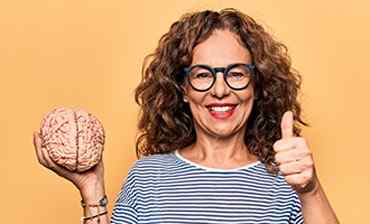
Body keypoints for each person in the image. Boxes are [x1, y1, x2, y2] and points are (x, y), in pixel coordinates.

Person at [33, 8, 339, 224]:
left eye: (236, 73)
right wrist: (92, 188)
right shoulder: (147, 178)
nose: (220, 90)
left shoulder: (287, 181)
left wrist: (309, 190)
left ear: (256, 85)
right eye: (203, 75)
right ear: (182, 88)